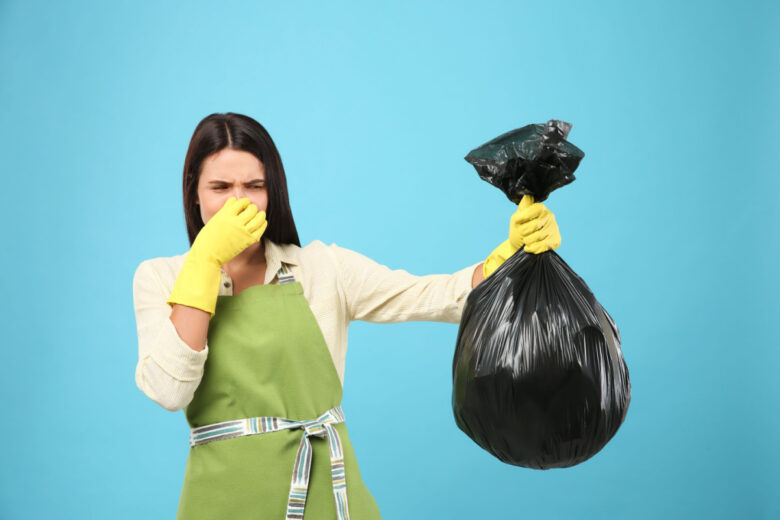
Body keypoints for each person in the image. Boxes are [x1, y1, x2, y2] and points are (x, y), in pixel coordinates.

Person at [131, 112, 561, 520]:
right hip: (222, 502)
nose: (238, 203)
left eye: (254, 186)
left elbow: (436, 296)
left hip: (328, 497)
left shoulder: (323, 269)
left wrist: (510, 258)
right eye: (221, 187)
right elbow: (170, 391)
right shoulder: (161, 278)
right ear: (194, 192)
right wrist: (204, 261)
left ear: (272, 192)